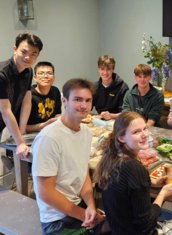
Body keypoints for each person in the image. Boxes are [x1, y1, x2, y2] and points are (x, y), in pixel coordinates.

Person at [94, 111, 172, 235]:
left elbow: (123, 189)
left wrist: (152, 183)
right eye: (136, 132)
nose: (144, 135)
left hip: (119, 229)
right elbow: (146, 224)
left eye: (145, 129)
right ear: (121, 138)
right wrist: (163, 194)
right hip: (141, 232)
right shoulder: (134, 168)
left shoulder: (111, 158)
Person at [32, 78, 105, 234]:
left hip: (78, 205)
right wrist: (83, 214)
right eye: (77, 100)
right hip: (56, 219)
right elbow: (45, 192)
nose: (84, 105)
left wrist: (91, 205)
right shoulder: (49, 138)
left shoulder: (85, 132)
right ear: (64, 101)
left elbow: (83, 171)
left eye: (88, 100)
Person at [0, 32, 43, 159]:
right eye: (23, 52)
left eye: (33, 54)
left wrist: (22, 132)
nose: (27, 58)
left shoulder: (28, 71)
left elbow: (26, 101)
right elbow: (6, 111)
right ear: (15, 49)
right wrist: (20, 143)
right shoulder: (2, 74)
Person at [26, 61, 61, 133]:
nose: (45, 76)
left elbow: (57, 113)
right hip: (31, 135)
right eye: (41, 73)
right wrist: (44, 125)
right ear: (35, 78)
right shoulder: (28, 95)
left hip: (51, 132)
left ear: (54, 78)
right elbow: (21, 128)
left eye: (49, 73)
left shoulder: (55, 91)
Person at [93, 55, 129, 120]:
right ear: (98, 69)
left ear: (113, 69)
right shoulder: (94, 87)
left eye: (108, 69)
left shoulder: (123, 87)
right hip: (100, 120)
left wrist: (111, 116)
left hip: (118, 121)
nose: (105, 72)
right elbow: (88, 106)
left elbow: (125, 113)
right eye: (102, 69)